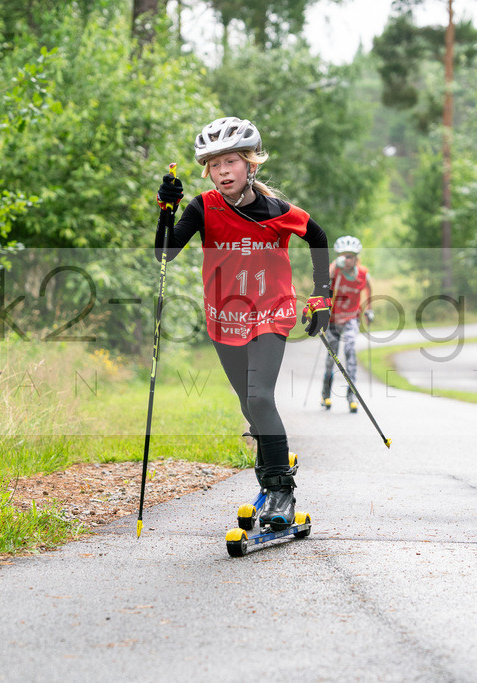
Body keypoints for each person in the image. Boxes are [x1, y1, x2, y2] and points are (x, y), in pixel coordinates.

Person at [154, 116, 331, 529]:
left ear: (251, 165)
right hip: (224, 317)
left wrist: (321, 294)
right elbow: (164, 255)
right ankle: (275, 459)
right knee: (249, 406)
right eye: (214, 165)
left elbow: (318, 238)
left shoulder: (278, 211)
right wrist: (167, 210)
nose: (222, 172)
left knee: (261, 397)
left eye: (230, 162)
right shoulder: (203, 206)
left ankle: (280, 492)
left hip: (272, 311)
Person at [320, 235, 373, 413]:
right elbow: (324, 277)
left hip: (351, 317)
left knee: (350, 352)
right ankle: (325, 394)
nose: (347, 259)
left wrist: (369, 309)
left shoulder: (363, 273)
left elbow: (369, 288)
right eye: (343, 256)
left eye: (350, 256)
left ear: (357, 257)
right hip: (333, 319)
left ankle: (352, 396)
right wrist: (336, 264)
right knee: (331, 357)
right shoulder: (336, 272)